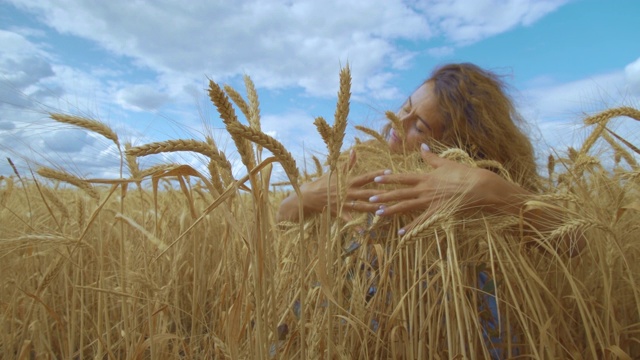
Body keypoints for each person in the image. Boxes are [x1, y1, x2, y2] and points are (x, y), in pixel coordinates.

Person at [277, 62, 583, 255]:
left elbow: (577, 243)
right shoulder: (360, 162)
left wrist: (494, 193)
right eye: (405, 107)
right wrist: (307, 197)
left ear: (458, 146)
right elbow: (281, 222)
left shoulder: (475, 195)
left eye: (420, 126)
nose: (401, 122)